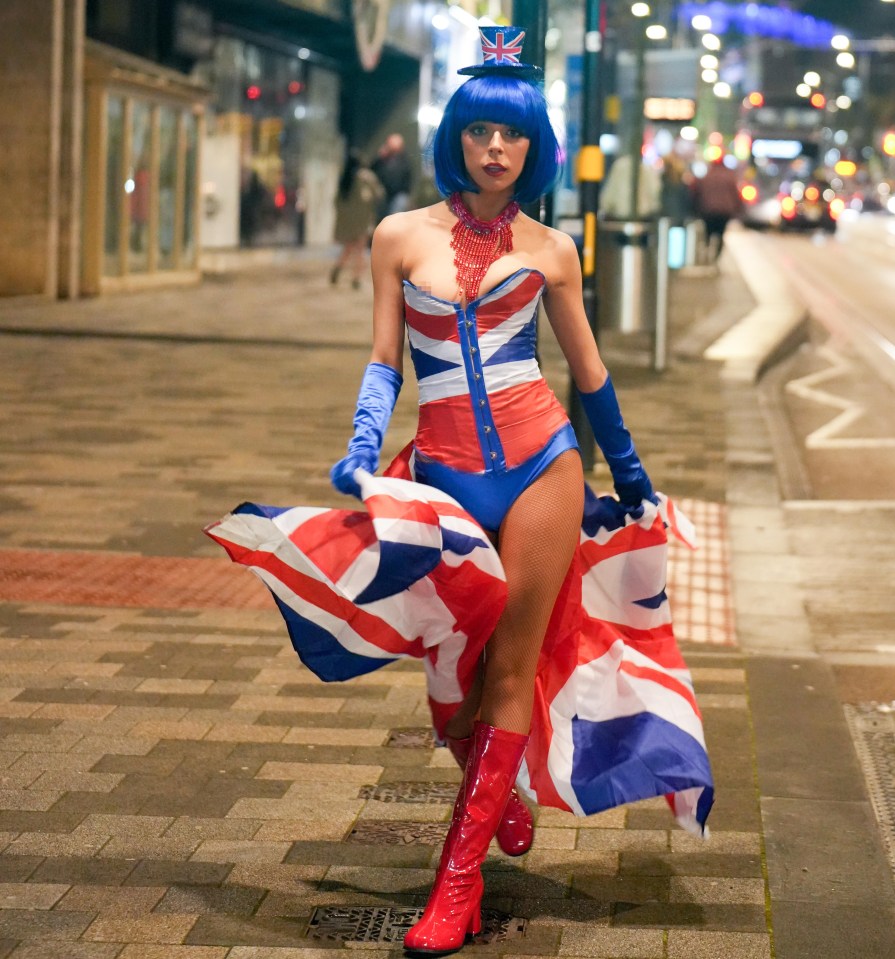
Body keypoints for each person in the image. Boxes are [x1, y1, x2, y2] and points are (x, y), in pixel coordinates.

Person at [328, 28, 677, 956]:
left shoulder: (553, 249)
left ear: (533, 149)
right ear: (457, 137)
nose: (494, 149)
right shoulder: (400, 237)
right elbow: (381, 358)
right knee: (453, 677)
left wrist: (631, 476)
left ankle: (457, 882)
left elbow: (590, 372)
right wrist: (363, 443)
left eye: (511, 137)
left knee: (512, 668)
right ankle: (498, 787)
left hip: (541, 468)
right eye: (479, 131)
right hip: (439, 472)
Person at [331, 149, 384, 289]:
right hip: (362, 219)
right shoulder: (365, 178)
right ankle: (356, 278)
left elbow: (336, 201)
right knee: (360, 250)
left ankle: (338, 268)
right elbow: (378, 194)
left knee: (348, 247)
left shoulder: (344, 179)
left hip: (347, 221)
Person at [691, 156, 743, 260]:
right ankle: (716, 257)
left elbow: (697, 192)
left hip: (708, 210)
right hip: (724, 211)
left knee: (708, 233)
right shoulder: (729, 177)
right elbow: (735, 194)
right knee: (720, 234)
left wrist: (696, 208)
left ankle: (706, 253)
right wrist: (738, 209)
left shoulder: (707, 176)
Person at [599, 152, 662, 219]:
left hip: (618, 217)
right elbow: (655, 194)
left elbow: (607, 199)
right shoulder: (646, 168)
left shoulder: (620, 165)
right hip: (643, 218)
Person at [371, 132, 413, 219]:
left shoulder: (404, 160)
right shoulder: (382, 159)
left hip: (399, 194)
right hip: (383, 194)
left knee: (394, 216)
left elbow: (399, 180)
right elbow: (372, 170)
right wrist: (380, 158)